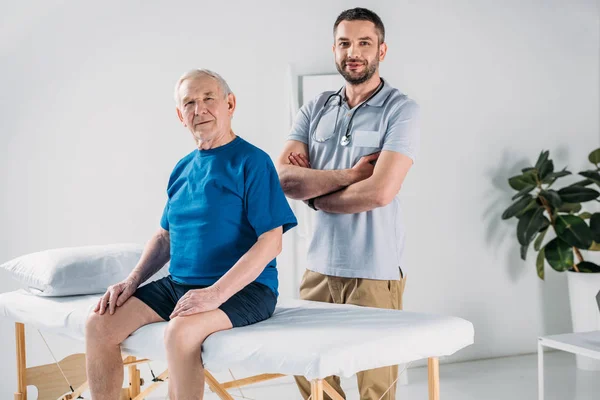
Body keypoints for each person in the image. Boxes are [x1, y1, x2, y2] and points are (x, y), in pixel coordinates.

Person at [85, 69, 297, 400]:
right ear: (180, 115)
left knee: (180, 331)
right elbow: (165, 237)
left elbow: (272, 241)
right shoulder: (182, 168)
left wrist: (214, 294)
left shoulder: (253, 162)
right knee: (99, 323)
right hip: (180, 285)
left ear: (230, 104)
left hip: (245, 289)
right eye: (189, 103)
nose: (200, 110)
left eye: (208, 99)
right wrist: (132, 281)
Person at [276, 8, 420, 400]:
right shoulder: (316, 107)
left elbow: (380, 193)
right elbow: (285, 179)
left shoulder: (401, 110)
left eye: (363, 43)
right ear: (334, 49)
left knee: (376, 386)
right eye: (344, 43)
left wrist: (316, 195)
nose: (352, 52)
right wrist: (351, 176)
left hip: (374, 268)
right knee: (308, 371)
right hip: (318, 264)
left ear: (382, 50)